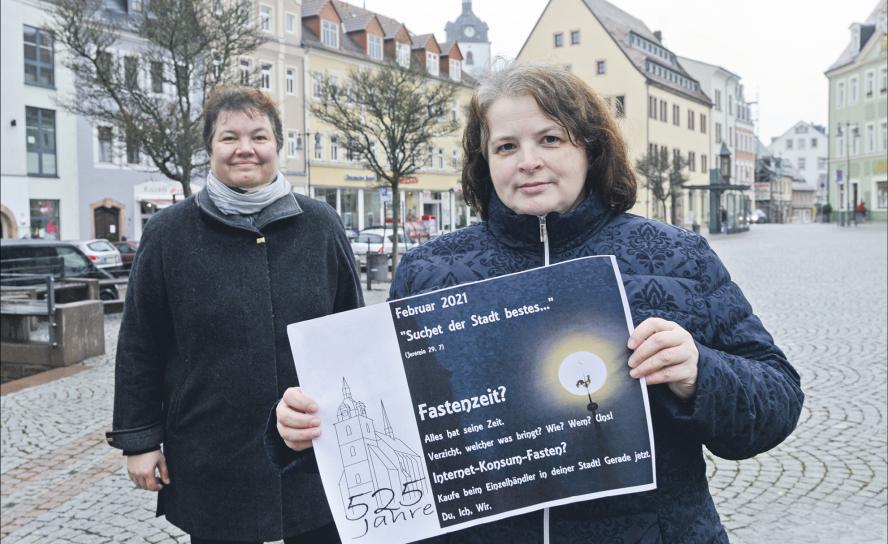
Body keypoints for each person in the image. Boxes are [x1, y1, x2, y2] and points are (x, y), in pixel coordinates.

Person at [274, 65, 804, 542]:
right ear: (484, 162)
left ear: (590, 148)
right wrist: (307, 429)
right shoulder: (428, 271)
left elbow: (777, 398)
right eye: (506, 147)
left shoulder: (676, 256)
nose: (528, 162)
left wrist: (699, 373)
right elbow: (390, 425)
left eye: (549, 139)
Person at [106, 87, 363, 543]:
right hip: (210, 448)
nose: (245, 148)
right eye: (229, 138)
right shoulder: (169, 233)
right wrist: (140, 441)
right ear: (210, 149)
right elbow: (140, 342)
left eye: (259, 136)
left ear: (277, 146)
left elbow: (352, 331)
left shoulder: (320, 224)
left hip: (312, 445)